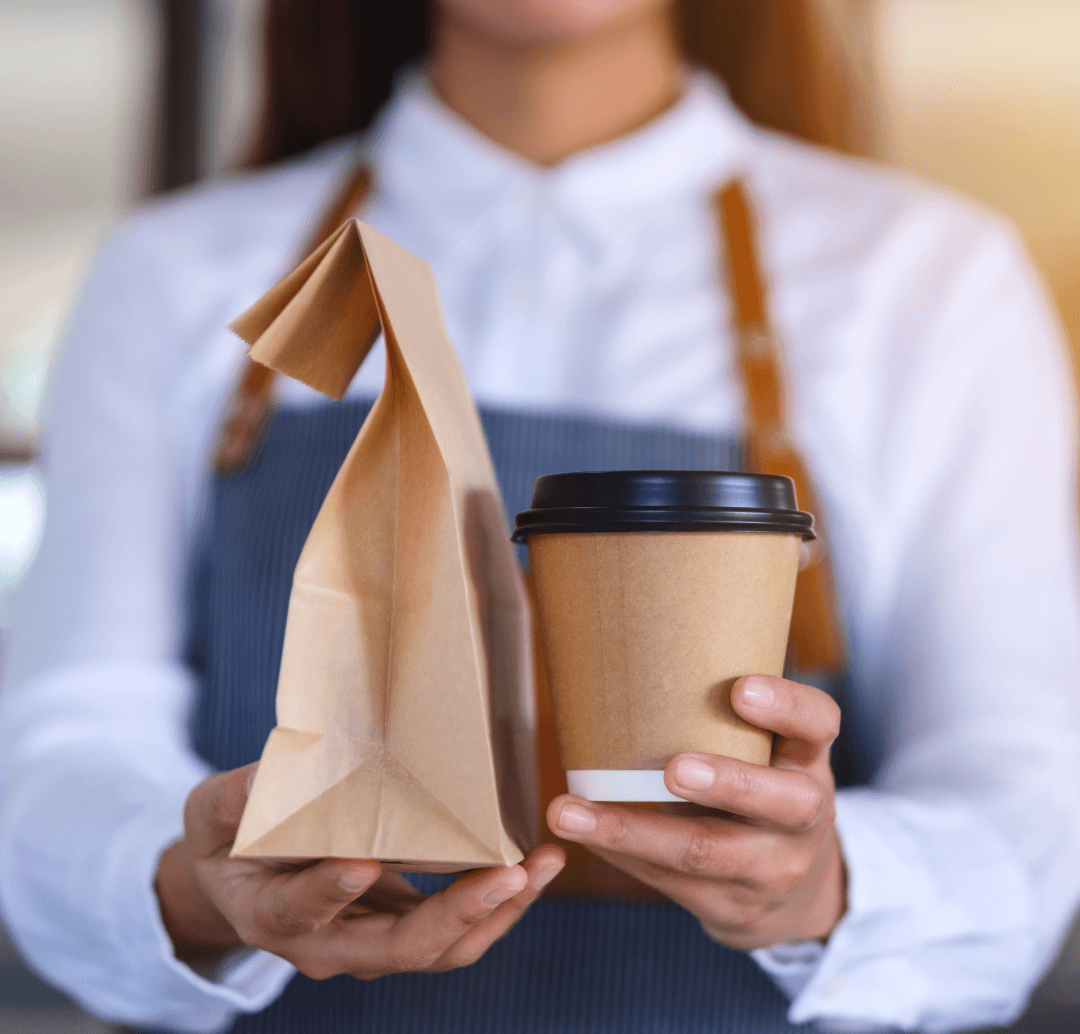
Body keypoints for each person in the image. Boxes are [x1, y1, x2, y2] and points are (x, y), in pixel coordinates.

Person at [1, 0, 1079, 1031]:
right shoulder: (179, 273)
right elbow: (66, 736)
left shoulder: (923, 280)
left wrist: (828, 886)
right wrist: (190, 882)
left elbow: (1020, 800)